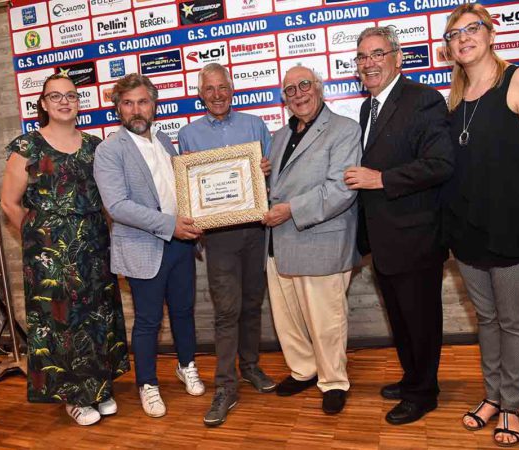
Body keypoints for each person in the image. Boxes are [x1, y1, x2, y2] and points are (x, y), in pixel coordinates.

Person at [441, 4, 519, 446]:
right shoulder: (454, 100)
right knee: (486, 320)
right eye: (455, 34)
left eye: (472, 29)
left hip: (513, 231)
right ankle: (492, 396)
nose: (464, 38)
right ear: (449, 48)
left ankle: (512, 405)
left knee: (513, 322)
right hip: (467, 234)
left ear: (490, 35)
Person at [1, 73, 130, 426]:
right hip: (50, 256)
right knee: (61, 322)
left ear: (78, 102)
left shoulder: (95, 146)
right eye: (55, 96)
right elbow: (9, 203)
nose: (64, 102)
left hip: (94, 247)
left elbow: (108, 201)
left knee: (97, 317)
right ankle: (73, 397)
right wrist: (39, 239)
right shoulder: (27, 146)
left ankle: (98, 387)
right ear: (43, 103)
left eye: (71, 95)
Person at [344, 26, 454, 425]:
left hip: (416, 236)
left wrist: (382, 179)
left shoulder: (423, 99)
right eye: (362, 57)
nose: (369, 63)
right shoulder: (366, 108)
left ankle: (424, 393)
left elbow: (441, 164)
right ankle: (412, 379)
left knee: (420, 320)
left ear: (398, 57)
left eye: (377, 54)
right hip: (385, 240)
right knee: (402, 319)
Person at [93, 74, 205, 419]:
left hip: (180, 244)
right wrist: (170, 225)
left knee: (184, 312)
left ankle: (186, 365)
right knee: (148, 321)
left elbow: (174, 189)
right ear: (118, 108)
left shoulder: (164, 141)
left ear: (154, 105)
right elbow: (118, 206)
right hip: (143, 247)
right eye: (128, 103)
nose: (136, 109)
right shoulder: (110, 150)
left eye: (142, 101)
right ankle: (147, 384)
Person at [177, 63, 275, 427]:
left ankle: (250, 366)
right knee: (226, 311)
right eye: (210, 89)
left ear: (232, 90)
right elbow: (188, 188)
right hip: (218, 237)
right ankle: (225, 386)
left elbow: (271, 173)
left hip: (255, 229)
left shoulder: (255, 126)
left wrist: (265, 170)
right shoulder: (188, 135)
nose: (217, 95)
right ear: (200, 94)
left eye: (223, 87)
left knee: (251, 304)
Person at [264, 65, 361, 415]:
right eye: (290, 90)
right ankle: (304, 369)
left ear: (319, 87)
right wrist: (256, 177)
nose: (298, 94)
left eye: (304, 85)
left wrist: (290, 209)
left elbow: (341, 189)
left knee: (326, 319)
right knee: (287, 317)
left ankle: (333, 381)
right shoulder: (278, 137)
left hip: (320, 238)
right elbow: (274, 188)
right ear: (284, 99)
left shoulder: (344, 129)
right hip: (278, 242)